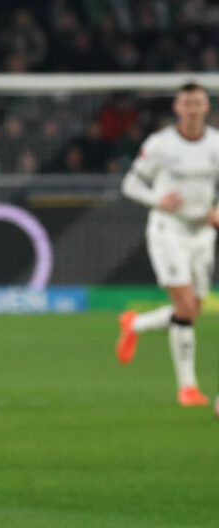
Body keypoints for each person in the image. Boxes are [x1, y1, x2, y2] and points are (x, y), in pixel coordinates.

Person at [116, 82, 219, 407]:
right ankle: (187, 388)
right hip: (167, 230)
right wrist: (157, 200)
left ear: (206, 107)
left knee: (191, 311)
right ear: (177, 107)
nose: (192, 108)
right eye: (186, 103)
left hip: (202, 232)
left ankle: (136, 323)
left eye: (198, 102)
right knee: (186, 308)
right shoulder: (160, 144)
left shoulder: (216, 143)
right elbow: (130, 183)